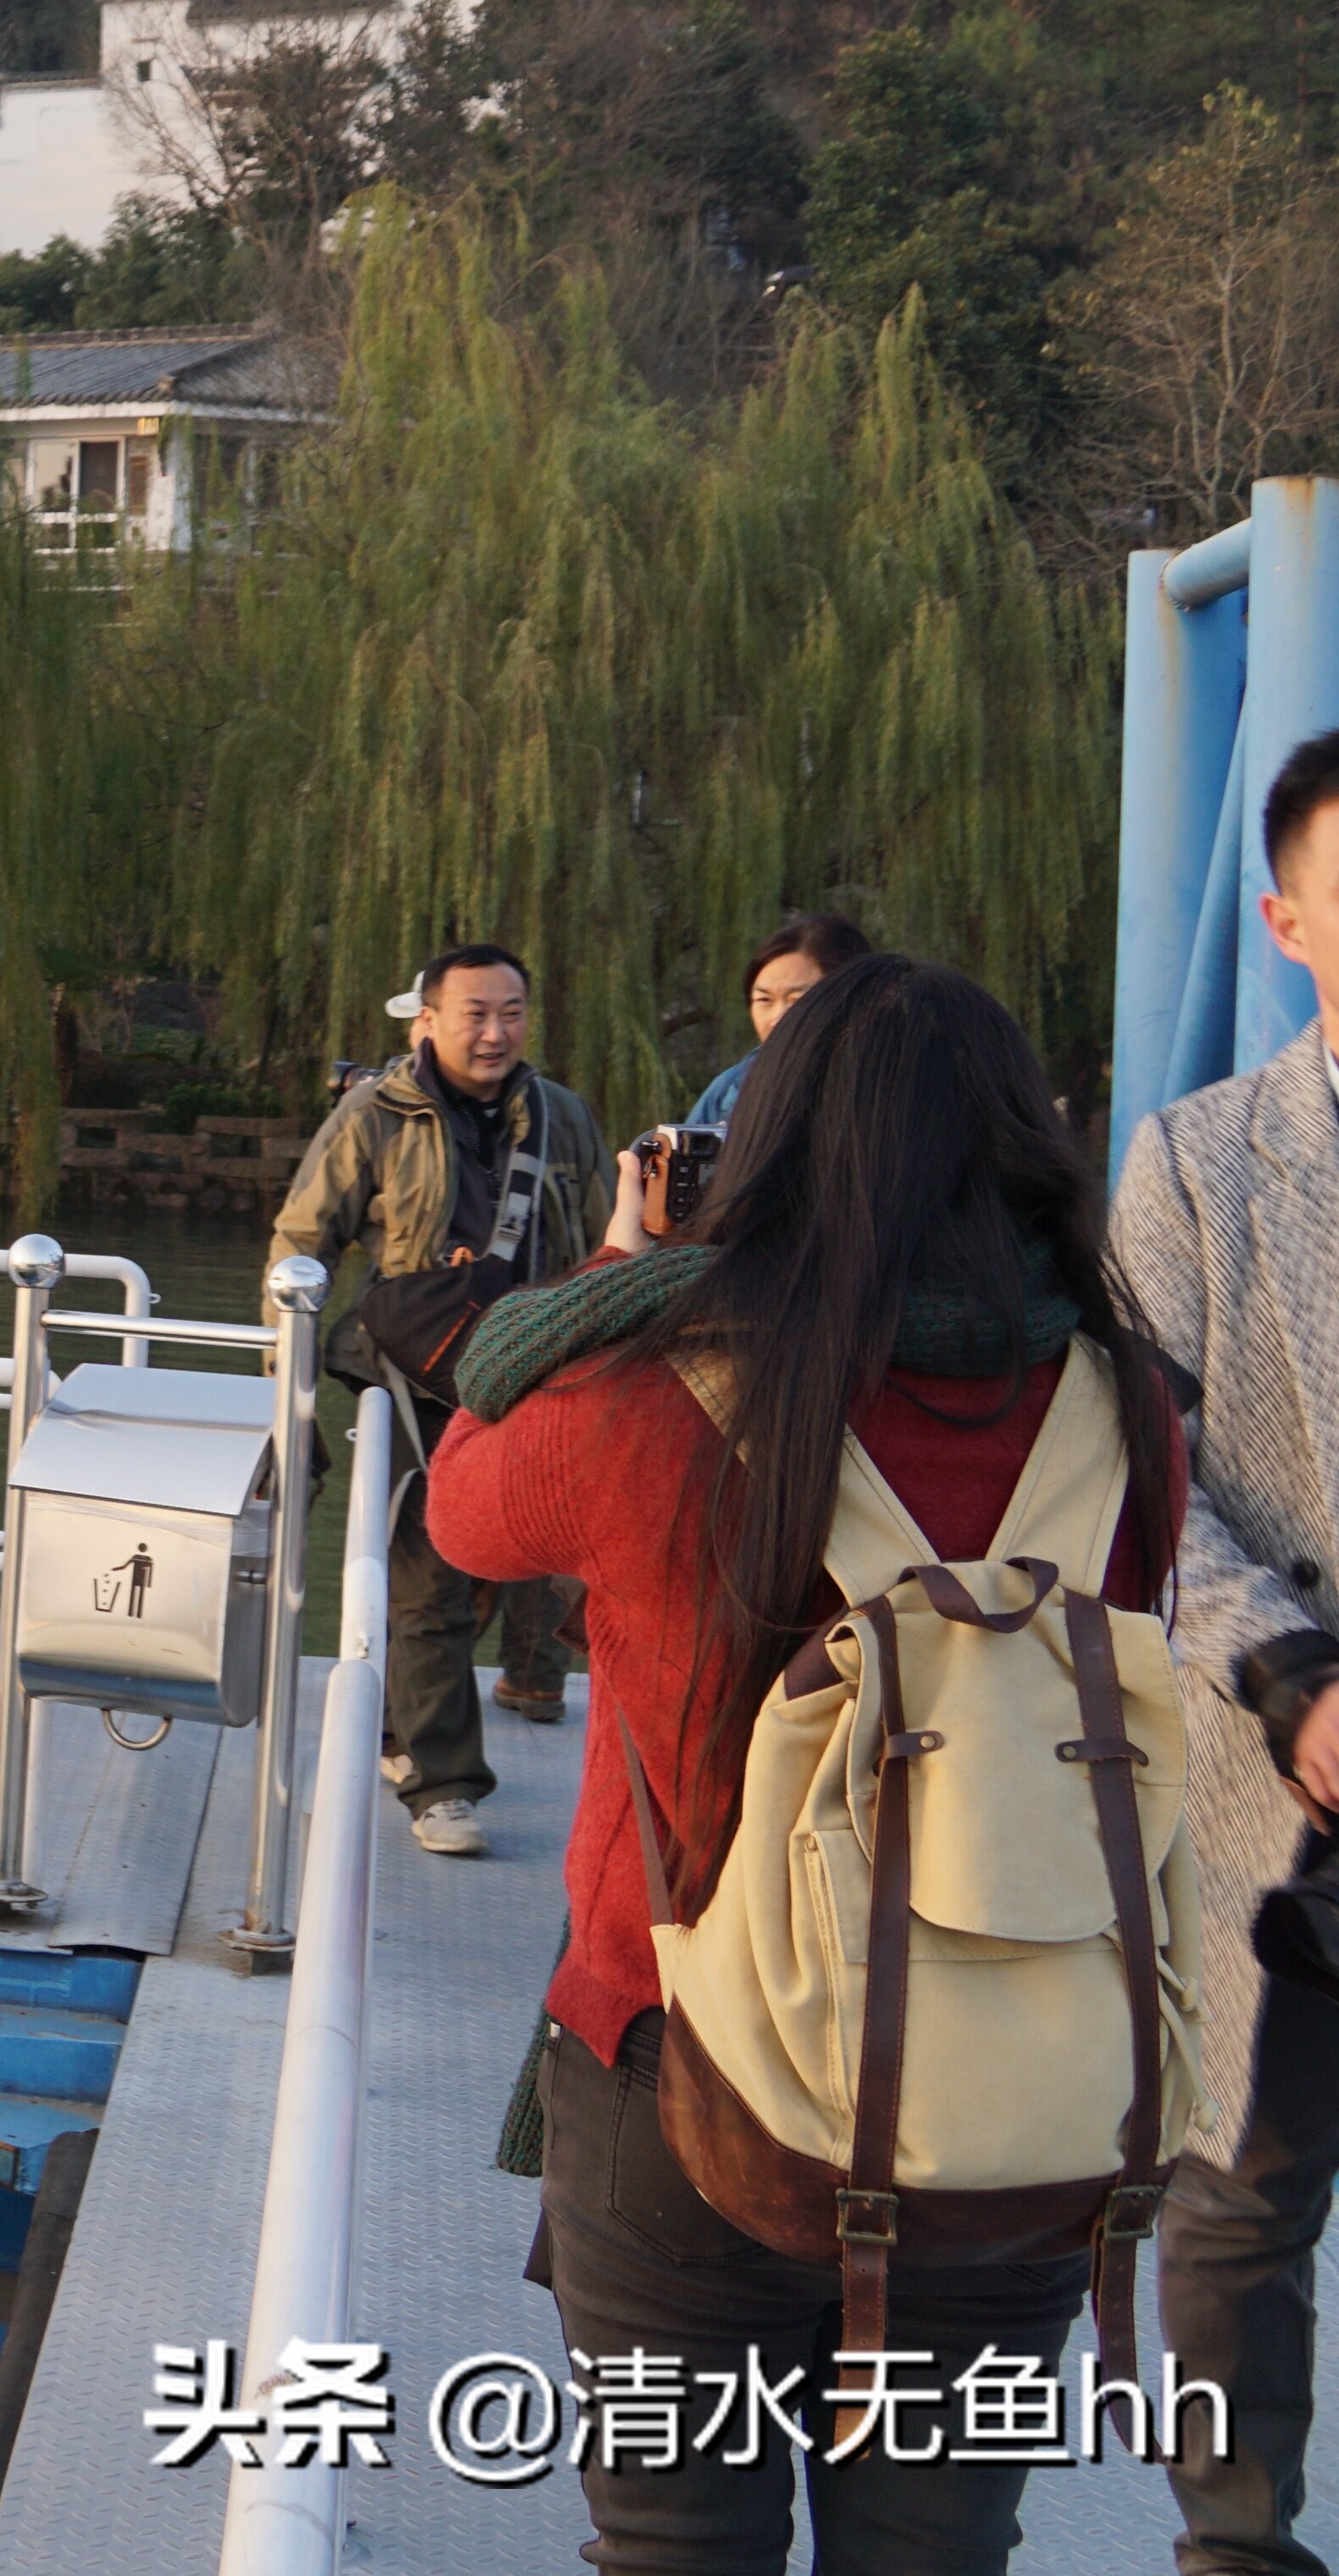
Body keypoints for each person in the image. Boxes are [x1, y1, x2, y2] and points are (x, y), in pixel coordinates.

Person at [431, 954, 1180, 2573]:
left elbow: (464, 1499)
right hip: (1020, 2098)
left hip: (681, 2073)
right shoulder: (1127, 1412)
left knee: (676, 2549)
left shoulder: (664, 1391)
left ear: (770, 1148)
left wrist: (646, 1259)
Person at [1118, 727, 1339, 2576]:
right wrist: (1290, 1678)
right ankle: (1237, 2543)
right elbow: (1144, 1487)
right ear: (1286, 920)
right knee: (1244, 2194)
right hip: (1286, 1764)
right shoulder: (1196, 1164)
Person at [267, 944, 611, 1854]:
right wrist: (288, 1389)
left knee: (510, 1565)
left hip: (532, 1375)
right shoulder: (374, 1114)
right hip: (412, 1378)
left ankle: (401, 1728)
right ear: (427, 1020)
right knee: (427, 1580)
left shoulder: (561, 1118)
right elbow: (302, 1242)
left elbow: (605, 1247)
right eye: (474, 1013)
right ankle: (443, 1784)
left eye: (512, 1011)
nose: (495, 1031)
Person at [682, 911, 873, 1135]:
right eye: (764, 1000)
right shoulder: (730, 1090)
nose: (778, 1019)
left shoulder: (887, 1081)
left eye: (797, 1000)